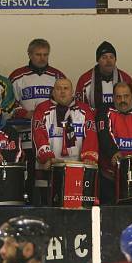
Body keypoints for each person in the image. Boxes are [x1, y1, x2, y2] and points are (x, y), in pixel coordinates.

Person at [31, 77, 98, 205]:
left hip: (77, 172)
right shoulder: (42, 109)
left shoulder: (85, 110)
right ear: (53, 92)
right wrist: (47, 157)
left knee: (77, 210)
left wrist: (89, 157)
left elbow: (91, 136)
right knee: (48, 210)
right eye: (58, 88)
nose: (62, 92)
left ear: (72, 92)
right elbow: (38, 136)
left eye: (66, 88)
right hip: (48, 171)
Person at [9, 38, 66, 120]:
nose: (42, 58)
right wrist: (25, 114)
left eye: (45, 55)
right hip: (24, 128)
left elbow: (66, 101)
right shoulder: (17, 76)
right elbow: (9, 104)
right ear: (29, 55)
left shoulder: (58, 77)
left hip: (51, 128)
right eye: (38, 55)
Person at [76, 41, 132, 112]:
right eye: (104, 57)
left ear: (115, 60)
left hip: (120, 119)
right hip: (94, 119)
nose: (108, 61)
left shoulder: (125, 79)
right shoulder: (84, 81)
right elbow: (79, 107)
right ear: (98, 60)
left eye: (111, 57)